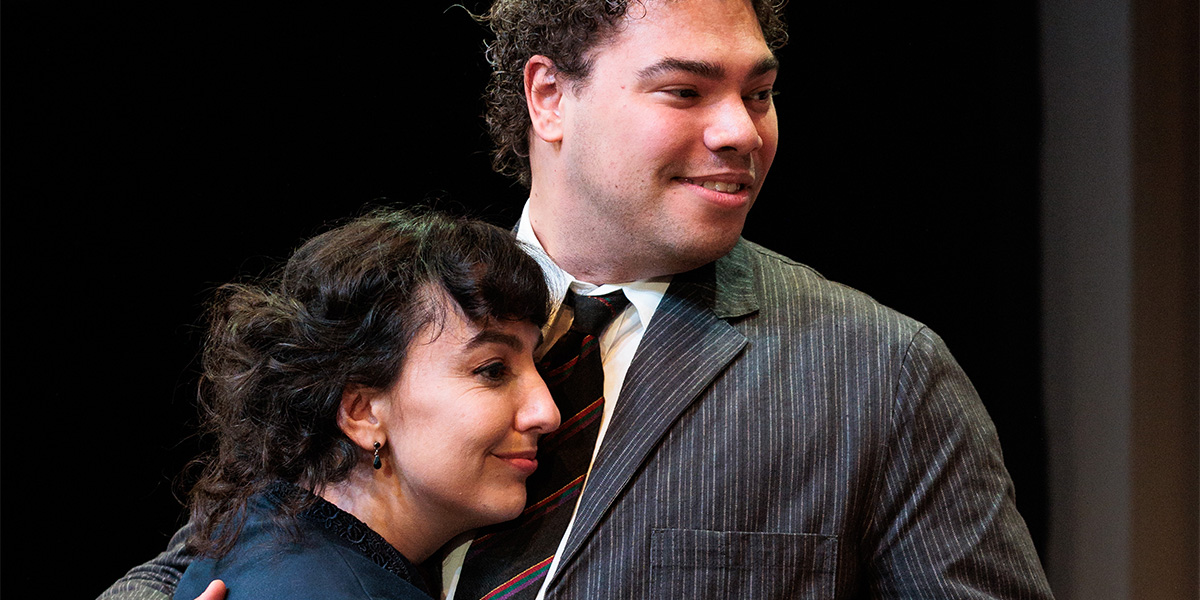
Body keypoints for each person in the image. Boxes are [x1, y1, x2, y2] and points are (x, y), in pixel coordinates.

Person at [101, 0, 1055, 598]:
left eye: (758, 93)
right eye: (685, 91)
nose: (739, 131)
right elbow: (212, 552)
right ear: (549, 96)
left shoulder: (878, 371)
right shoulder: (402, 313)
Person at [161, 209, 561, 600]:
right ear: (362, 412)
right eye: (492, 370)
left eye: (536, 365)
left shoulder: (264, 525)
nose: (547, 412)